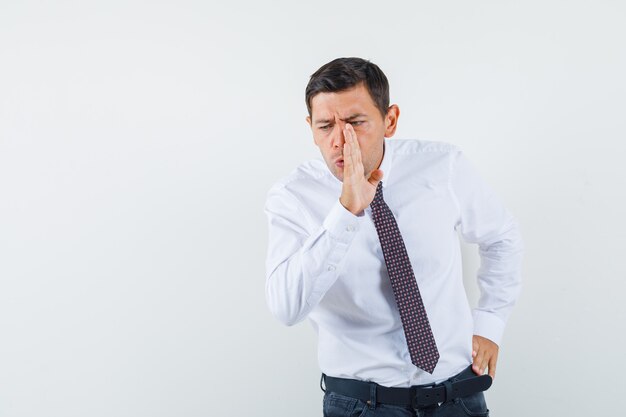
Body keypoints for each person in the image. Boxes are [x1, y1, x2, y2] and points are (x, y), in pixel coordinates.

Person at [264, 57, 523, 417]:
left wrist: (491, 323)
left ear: (390, 120)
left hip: (458, 395)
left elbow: (501, 237)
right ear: (310, 128)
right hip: (360, 405)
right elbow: (286, 307)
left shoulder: (442, 167)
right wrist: (345, 213)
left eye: (356, 122)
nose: (341, 140)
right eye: (325, 126)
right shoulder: (293, 197)